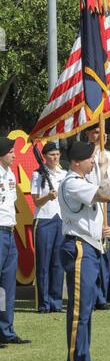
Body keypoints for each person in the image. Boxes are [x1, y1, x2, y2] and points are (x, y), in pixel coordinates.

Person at [58, 141, 110, 361]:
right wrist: (108, 173)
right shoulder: (72, 183)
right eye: (90, 158)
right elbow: (104, 195)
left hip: (89, 245)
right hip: (79, 248)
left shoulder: (82, 182)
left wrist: (101, 229)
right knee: (80, 310)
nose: (93, 161)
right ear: (77, 161)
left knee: (86, 309)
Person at [85, 123, 110, 308]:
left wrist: (109, 196)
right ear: (88, 134)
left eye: (103, 132)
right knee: (94, 249)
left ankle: (107, 293)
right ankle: (95, 295)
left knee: (109, 251)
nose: (101, 135)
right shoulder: (84, 155)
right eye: (96, 132)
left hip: (107, 205)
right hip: (91, 206)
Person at [0, 137, 31, 346]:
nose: (14, 154)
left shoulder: (9, 173)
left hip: (9, 233)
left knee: (7, 286)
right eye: (11, 151)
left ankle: (6, 330)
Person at [31, 142, 66, 313]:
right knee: (43, 263)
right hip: (44, 220)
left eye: (57, 154)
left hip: (60, 220)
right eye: (52, 154)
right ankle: (43, 303)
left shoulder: (64, 174)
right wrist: (48, 197)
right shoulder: (37, 174)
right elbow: (36, 201)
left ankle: (56, 301)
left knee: (58, 264)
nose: (55, 157)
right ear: (44, 156)